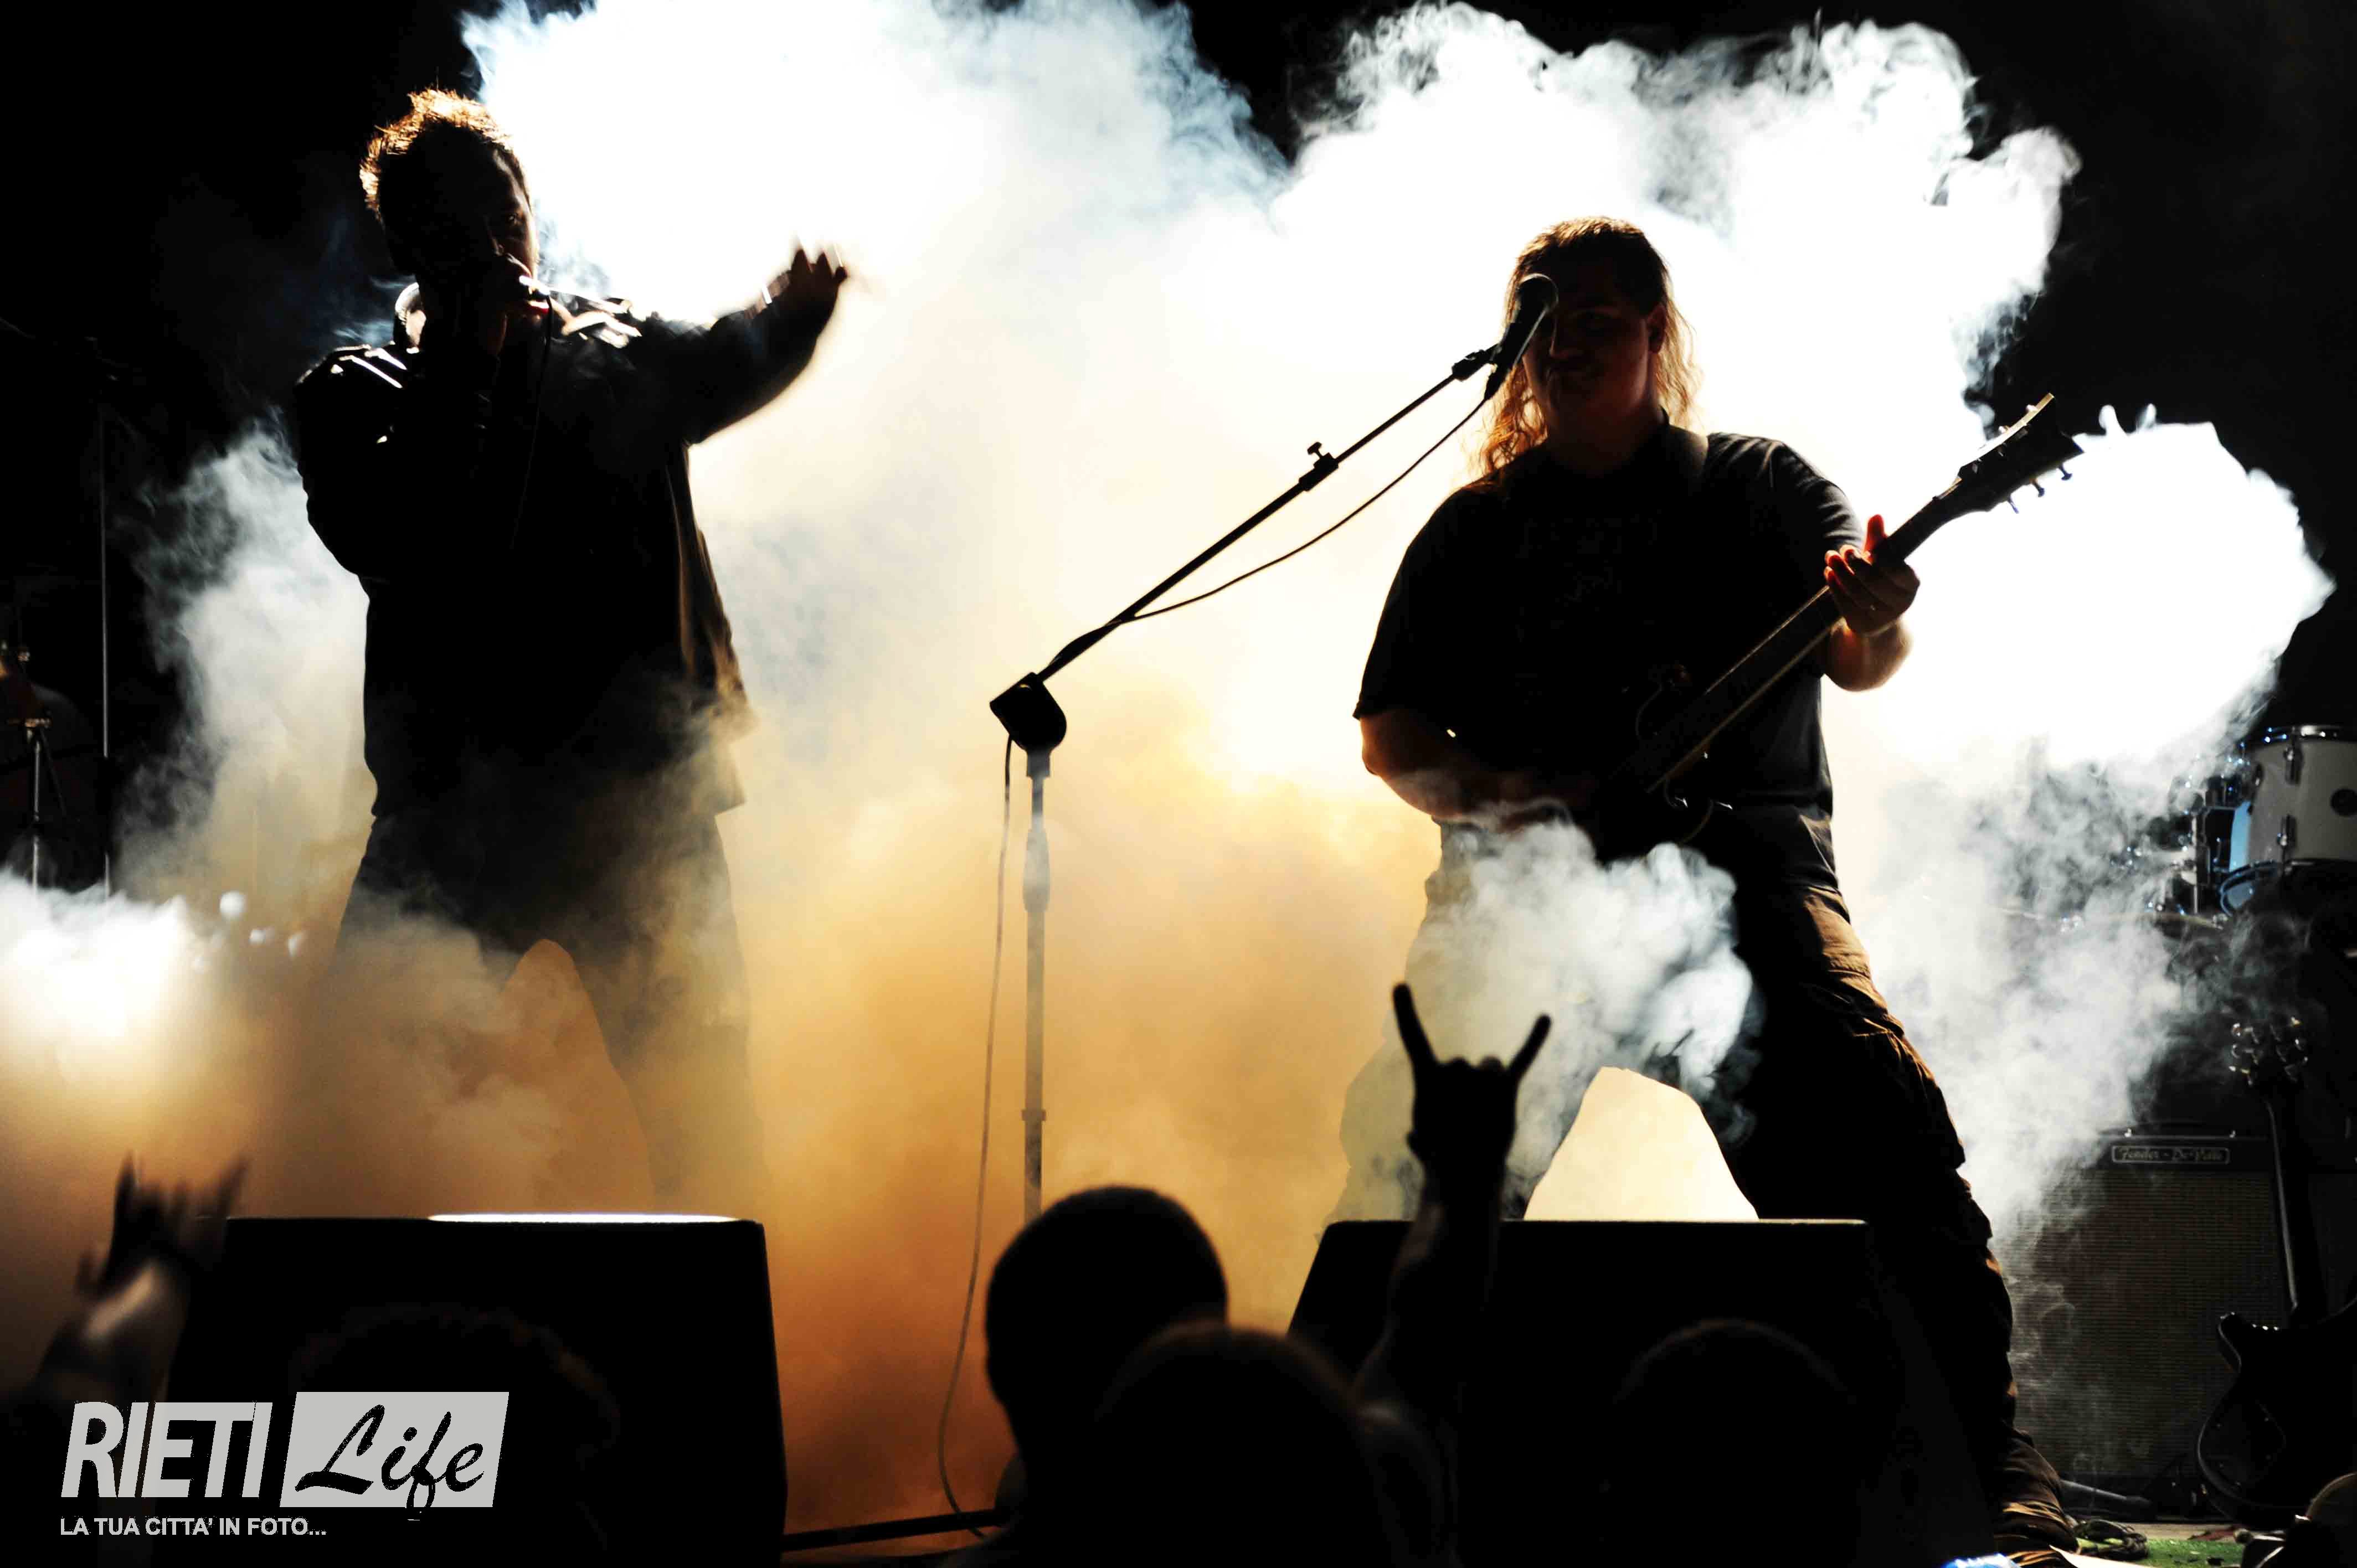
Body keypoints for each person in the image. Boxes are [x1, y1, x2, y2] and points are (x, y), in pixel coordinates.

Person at [1346, 216, 2076, 1565]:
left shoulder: (1753, 487)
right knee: (1419, 1172)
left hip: (1746, 887)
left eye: (1595, 319)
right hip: (1532, 905)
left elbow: (1860, 657)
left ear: (1655, 334)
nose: (1564, 344)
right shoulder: (1475, 531)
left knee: (1885, 1149)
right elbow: (1393, 740)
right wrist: (1521, 801)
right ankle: (1391, 1491)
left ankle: (1983, 1470)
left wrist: (1876, 608)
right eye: (1540, 320)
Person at [293, 90, 847, 1204]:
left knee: (702, 1118)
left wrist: (790, 320)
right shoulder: (353, 393)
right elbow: (404, 535)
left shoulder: (619, 343)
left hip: (637, 806)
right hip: (454, 815)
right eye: (462, 224)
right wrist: (469, 354)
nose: (500, 243)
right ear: (411, 245)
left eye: (509, 212)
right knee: (364, 1107)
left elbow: (723, 365)